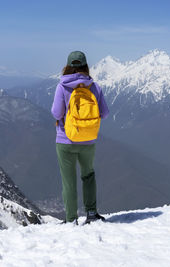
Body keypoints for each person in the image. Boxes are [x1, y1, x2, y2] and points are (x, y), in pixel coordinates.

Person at [51, 51, 109, 225]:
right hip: (88, 140)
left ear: (68, 66)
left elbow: (57, 112)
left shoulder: (62, 86)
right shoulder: (94, 86)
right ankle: (91, 213)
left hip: (65, 140)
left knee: (68, 181)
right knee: (88, 175)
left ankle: (71, 219)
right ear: (85, 66)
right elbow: (104, 114)